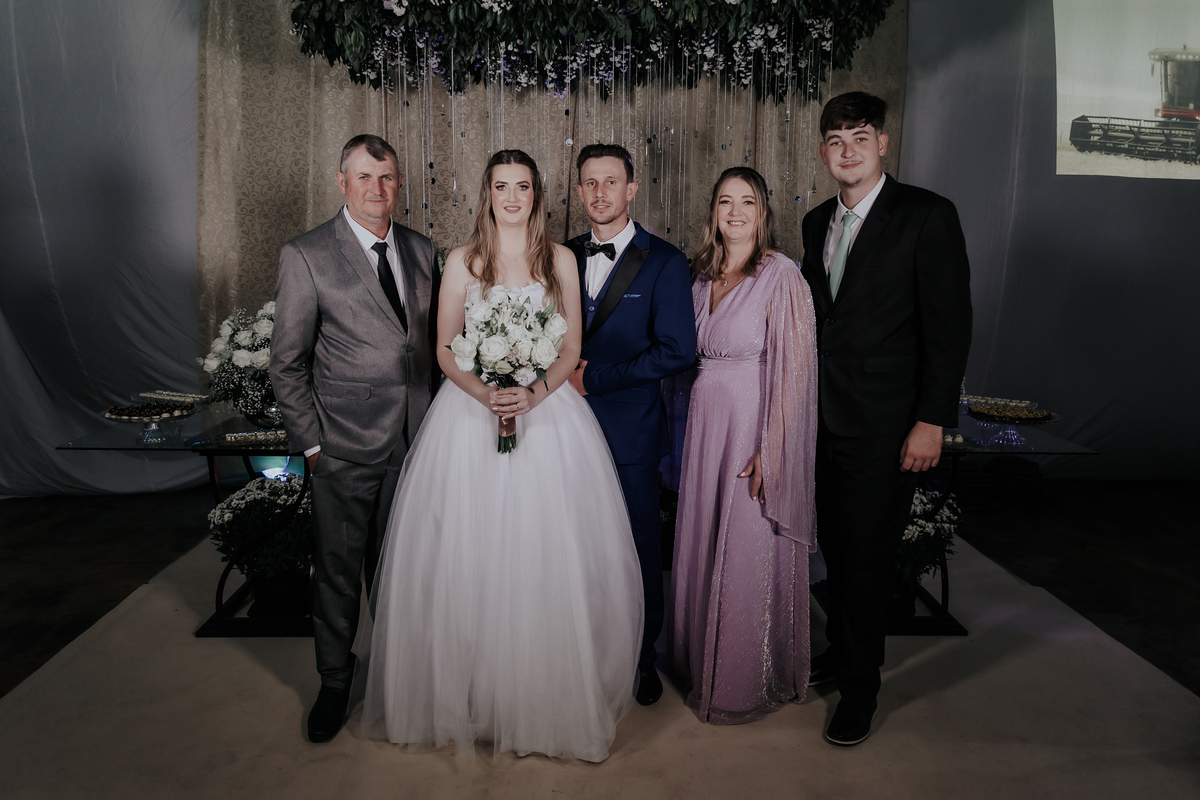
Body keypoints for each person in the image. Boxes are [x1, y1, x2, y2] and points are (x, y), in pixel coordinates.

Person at [362, 149, 643, 763]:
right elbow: (444, 347)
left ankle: (540, 696)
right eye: (501, 186)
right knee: (471, 551)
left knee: (544, 552)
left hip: (548, 417)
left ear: (536, 194)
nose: (512, 197)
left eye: (522, 186)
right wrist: (486, 393)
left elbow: (569, 347)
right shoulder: (462, 260)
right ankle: (471, 697)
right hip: (470, 415)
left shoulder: (559, 258)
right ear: (486, 194)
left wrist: (533, 394)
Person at [799, 92, 972, 746]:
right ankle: (845, 651)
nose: (848, 151)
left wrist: (932, 421)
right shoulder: (816, 221)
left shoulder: (927, 215)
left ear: (882, 144)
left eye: (860, 138)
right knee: (838, 552)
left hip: (887, 424)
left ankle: (860, 691)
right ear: (823, 152)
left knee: (868, 556)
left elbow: (949, 329)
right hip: (822, 419)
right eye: (836, 140)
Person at [270, 134, 439, 744]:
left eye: (387, 176)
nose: (377, 188)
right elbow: (286, 362)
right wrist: (312, 446)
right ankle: (335, 680)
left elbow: (430, 344)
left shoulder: (422, 249)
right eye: (364, 177)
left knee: (404, 571)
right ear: (342, 182)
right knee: (339, 574)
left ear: (399, 183)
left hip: (415, 442)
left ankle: (401, 678)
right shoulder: (307, 254)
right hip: (341, 446)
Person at [669, 167, 818, 724]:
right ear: (713, 211)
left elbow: (798, 372)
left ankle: (743, 676)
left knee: (747, 542)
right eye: (726, 202)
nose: (735, 212)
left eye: (747, 202)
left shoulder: (782, 275)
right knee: (704, 535)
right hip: (705, 426)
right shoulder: (700, 276)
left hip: (754, 426)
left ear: (763, 213)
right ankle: (697, 660)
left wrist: (771, 449)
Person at [564, 144, 697, 706]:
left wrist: (597, 379)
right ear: (579, 192)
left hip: (630, 432)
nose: (600, 193)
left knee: (638, 545)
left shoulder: (664, 260)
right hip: (561, 429)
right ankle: (579, 651)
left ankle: (642, 658)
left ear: (632, 189)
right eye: (590, 183)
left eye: (611, 182)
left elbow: (678, 350)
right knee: (572, 545)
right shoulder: (561, 255)